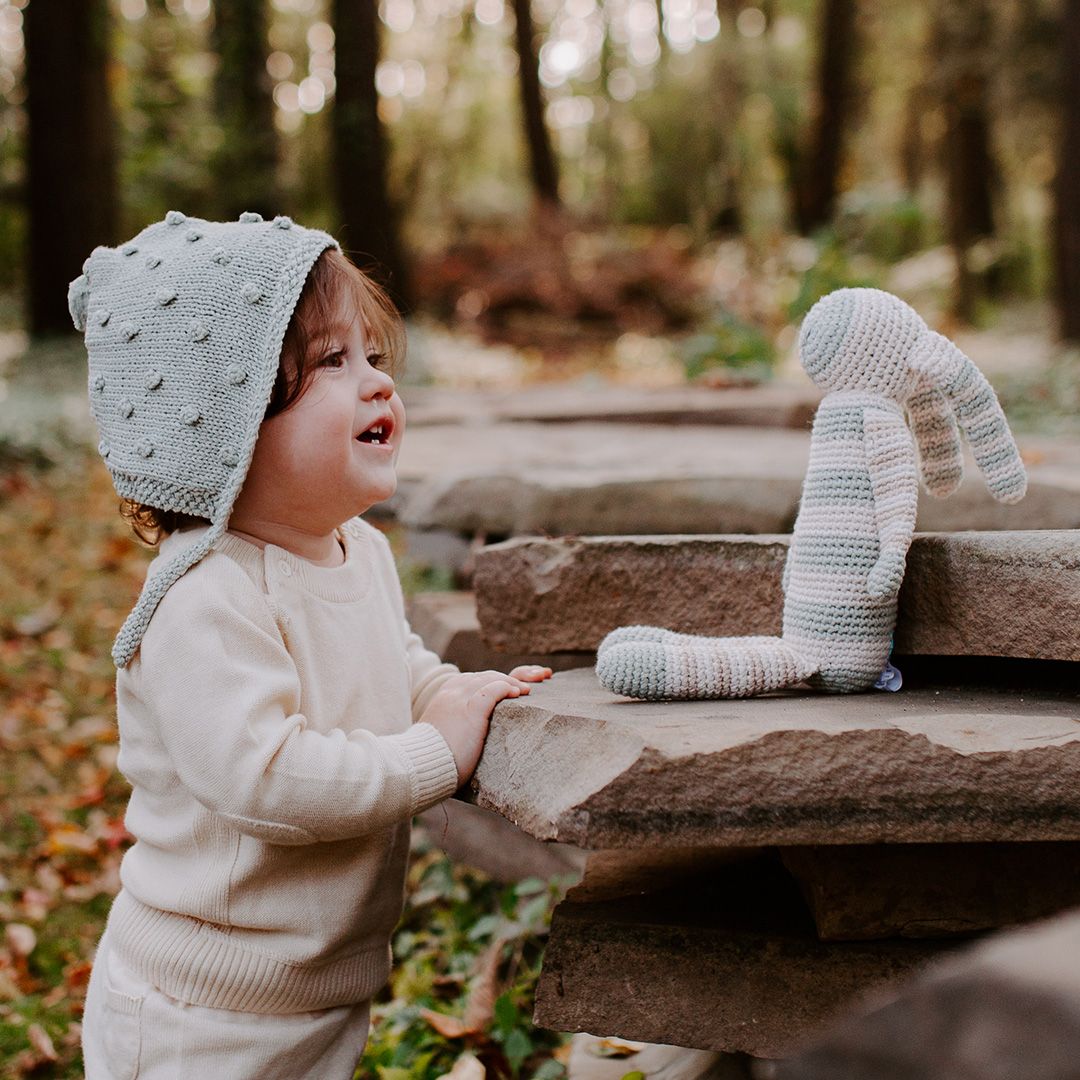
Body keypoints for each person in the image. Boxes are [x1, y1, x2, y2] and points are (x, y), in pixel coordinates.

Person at [67, 211, 552, 1078]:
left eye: (374, 356)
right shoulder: (203, 596)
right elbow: (265, 780)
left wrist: (448, 695)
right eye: (333, 362)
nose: (377, 385)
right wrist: (435, 754)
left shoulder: (357, 551)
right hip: (201, 1020)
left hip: (314, 995)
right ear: (222, 419)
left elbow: (385, 664)